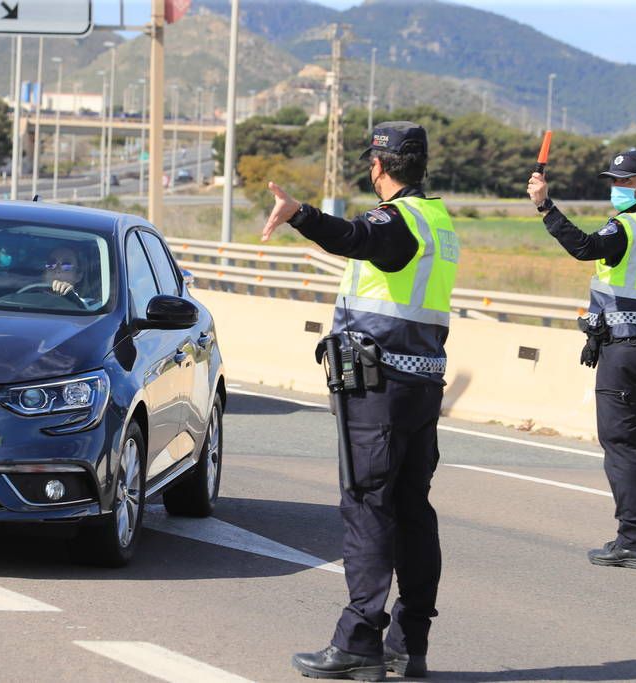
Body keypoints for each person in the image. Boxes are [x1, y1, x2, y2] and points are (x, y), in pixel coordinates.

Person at [262, 122, 459, 681]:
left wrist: (300, 214)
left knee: (368, 506)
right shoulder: (440, 220)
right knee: (413, 510)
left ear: (379, 166)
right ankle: (408, 642)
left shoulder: (396, 220)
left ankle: (358, 642)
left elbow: (355, 238)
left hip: (382, 388)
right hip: (422, 385)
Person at [527, 149, 636, 570]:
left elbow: (584, 248)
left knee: (623, 445)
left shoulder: (625, 227)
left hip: (625, 351)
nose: (617, 189)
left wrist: (545, 206)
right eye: (614, 182)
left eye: (624, 182)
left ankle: (632, 540)